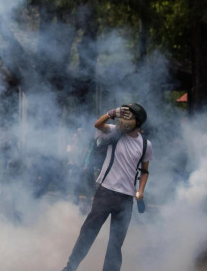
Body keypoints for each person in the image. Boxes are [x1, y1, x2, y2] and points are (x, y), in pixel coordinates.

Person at [61, 103, 152, 271]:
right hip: (105, 193)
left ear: (138, 122)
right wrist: (112, 113)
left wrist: (141, 191)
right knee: (88, 233)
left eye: (129, 116)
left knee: (115, 244)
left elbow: (145, 171)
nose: (124, 119)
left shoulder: (146, 145)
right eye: (123, 115)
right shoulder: (115, 131)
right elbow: (98, 124)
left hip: (126, 199)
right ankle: (70, 268)